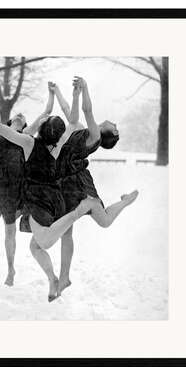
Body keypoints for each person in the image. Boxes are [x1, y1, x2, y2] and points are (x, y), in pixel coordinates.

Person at [0, 80, 94, 302]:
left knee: (42, 243)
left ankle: (79, 212)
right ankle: (54, 280)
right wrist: (73, 95)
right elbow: (74, 121)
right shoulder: (62, 144)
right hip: (57, 199)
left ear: (42, 130)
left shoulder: (29, 143)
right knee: (35, 246)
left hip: (39, 201)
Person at [55, 76, 139, 294]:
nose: (114, 122)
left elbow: (87, 110)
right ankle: (64, 278)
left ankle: (126, 202)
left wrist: (85, 89)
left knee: (104, 221)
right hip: (64, 182)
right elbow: (69, 113)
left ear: (113, 133)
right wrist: (61, 92)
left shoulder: (94, 136)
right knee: (66, 233)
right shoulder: (82, 129)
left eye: (115, 126)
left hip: (79, 185)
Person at [0, 83, 55, 286]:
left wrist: (51, 93)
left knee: (35, 223)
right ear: (10, 121)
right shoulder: (1, 133)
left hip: (23, 186)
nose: (20, 116)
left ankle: (44, 248)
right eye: (17, 116)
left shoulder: (26, 134)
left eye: (23, 117)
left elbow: (46, 112)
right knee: (9, 231)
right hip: (3, 188)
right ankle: (11, 270)